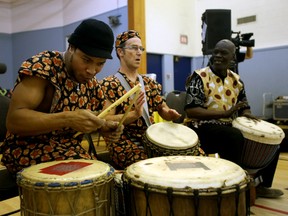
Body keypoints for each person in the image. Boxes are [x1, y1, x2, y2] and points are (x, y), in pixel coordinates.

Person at [0, 19, 124, 175]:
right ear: (71, 47)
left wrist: (105, 127)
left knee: (105, 176)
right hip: (26, 149)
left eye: (100, 63)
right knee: (90, 176)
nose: (92, 70)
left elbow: (101, 115)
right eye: (86, 60)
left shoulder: (90, 83)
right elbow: (14, 121)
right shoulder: (43, 67)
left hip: (69, 150)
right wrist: (68, 119)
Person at [184, 39, 283, 198]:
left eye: (223, 53)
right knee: (233, 136)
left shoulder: (237, 80)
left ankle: (261, 185)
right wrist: (223, 114)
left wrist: (246, 115)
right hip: (200, 128)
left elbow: (244, 105)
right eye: (215, 51)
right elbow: (191, 111)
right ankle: (234, 187)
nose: (217, 55)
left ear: (232, 56)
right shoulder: (200, 76)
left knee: (270, 140)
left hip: (227, 126)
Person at [100, 30, 202, 170]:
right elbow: (106, 120)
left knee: (194, 154)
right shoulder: (109, 84)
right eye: (133, 48)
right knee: (153, 166)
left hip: (151, 137)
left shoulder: (148, 82)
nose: (139, 52)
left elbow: (162, 108)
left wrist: (168, 113)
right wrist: (133, 115)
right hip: (124, 142)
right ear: (120, 52)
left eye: (140, 48)